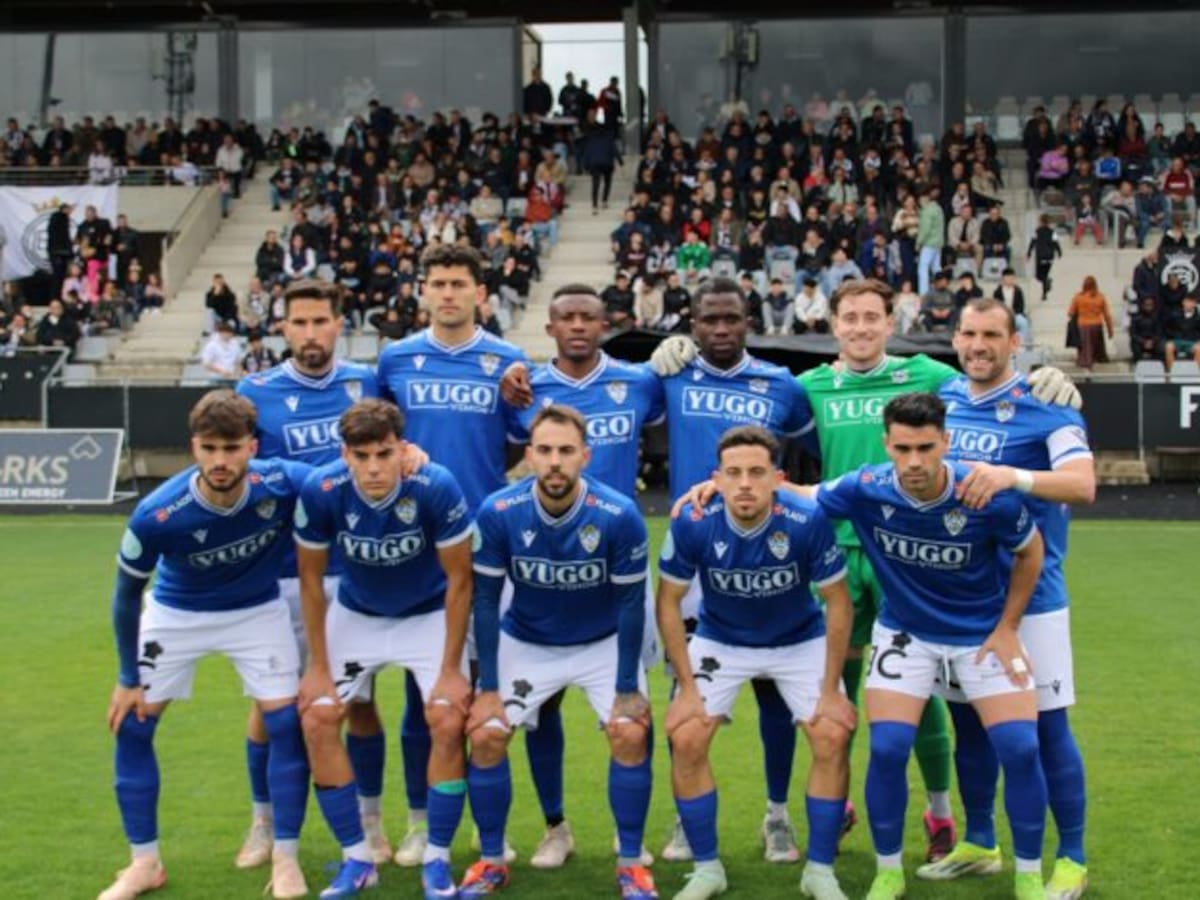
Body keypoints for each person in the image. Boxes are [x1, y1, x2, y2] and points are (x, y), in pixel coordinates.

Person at [811, 392, 1049, 900]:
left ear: (946, 441)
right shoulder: (866, 487)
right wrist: (718, 486)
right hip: (906, 635)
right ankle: (889, 871)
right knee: (890, 747)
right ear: (886, 444)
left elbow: (1030, 552)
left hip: (980, 636)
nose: (914, 461)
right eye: (902, 449)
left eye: (925, 447)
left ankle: (1030, 877)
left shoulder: (987, 495)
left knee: (1022, 750)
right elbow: (803, 495)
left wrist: (1008, 626)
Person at [99, 391, 313, 900]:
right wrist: (128, 677)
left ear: (252, 447)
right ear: (194, 447)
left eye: (232, 448)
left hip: (256, 611)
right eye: (209, 448)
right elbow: (126, 595)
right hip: (177, 615)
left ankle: (285, 857)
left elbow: (341, 477)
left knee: (285, 723)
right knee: (132, 725)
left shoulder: (281, 482)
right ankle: (143, 863)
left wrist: (411, 457)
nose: (221, 461)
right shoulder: (158, 513)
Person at [916, 298, 1095, 900]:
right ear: (956, 338)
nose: (978, 345)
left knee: (1046, 730)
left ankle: (1070, 857)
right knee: (968, 725)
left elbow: (1083, 483)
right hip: (962, 600)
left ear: (1014, 342)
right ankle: (980, 842)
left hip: (1033, 600)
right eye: (968, 333)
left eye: (991, 334)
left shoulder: (1048, 406)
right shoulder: (944, 399)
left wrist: (1011, 477)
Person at [648, 278, 818, 865]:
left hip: (769, 550)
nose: (720, 330)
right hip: (694, 553)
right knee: (685, 693)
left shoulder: (781, 385)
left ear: (748, 321)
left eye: (731, 320)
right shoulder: (670, 374)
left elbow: (806, 455)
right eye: (708, 320)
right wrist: (652, 358)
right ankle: (684, 816)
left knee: (775, 693)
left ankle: (777, 815)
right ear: (692, 323)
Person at [236, 280, 399, 872]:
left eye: (320, 322)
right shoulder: (255, 392)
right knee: (271, 704)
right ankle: (264, 822)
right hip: (281, 573)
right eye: (299, 323)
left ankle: (370, 819)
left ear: (339, 324)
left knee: (358, 702)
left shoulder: (366, 383)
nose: (310, 334)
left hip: (353, 571)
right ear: (283, 328)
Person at [463, 405, 656, 900]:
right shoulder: (499, 511)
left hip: (603, 639)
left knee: (630, 732)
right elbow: (484, 600)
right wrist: (485, 688)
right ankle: (491, 860)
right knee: (485, 735)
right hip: (528, 640)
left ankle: (631, 863)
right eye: (544, 450)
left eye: (565, 451)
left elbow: (632, 602)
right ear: (528, 456)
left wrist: (628, 688)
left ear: (585, 456)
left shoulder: (618, 514)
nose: (554, 461)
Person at [376, 246, 528, 864]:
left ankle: (492, 829)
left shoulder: (507, 360)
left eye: (459, 283)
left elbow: (530, 439)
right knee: (423, 695)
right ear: (422, 290)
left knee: (494, 692)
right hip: (415, 545)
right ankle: (419, 821)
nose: (447, 293)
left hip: (487, 545)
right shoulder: (395, 358)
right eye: (437, 282)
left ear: (479, 293)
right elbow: (373, 436)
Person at [658, 425, 855, 900]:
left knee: (831, 732)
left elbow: (838, 602)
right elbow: (668, 601)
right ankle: (707, 868)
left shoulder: (806, 520)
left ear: (777, 478)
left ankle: (820, 871)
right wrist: (686, 688)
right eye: (734, 473)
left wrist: (830, 690)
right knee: (685, 735)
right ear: (717, 479)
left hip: (797, 639)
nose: (745, 483)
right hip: (721, 639)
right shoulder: (693, 520)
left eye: (756, 473)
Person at [294, 399, 473, 899]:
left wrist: (453, 669)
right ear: (344, 454)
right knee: (318, 717)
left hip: (428, 613)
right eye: (362, 456)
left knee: (447, 717)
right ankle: (357, 858)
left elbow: (461, 581)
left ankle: (436, 859)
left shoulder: (435, 485)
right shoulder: (322, 489)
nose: (374, 468)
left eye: (384, 454)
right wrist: (318, 668)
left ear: (403, 449)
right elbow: (311, 581)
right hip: (357, 614)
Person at [581, 109, 623, 214]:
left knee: (595, 183)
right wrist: (620, 161)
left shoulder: (591, 138)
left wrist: (585, 165)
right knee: (607, 182)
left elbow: (587, 151)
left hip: (595, 162)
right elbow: (614, 149)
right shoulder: (608, 136)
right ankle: (604, 201)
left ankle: (595, 205)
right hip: (607, 162)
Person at [1066, 277, 1114, 370]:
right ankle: (1096, 359)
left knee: (1085, 347)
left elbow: (1070, 313)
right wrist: (1110, 330)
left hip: (1083, 325)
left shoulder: (1078, 297)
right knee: (1095, 346)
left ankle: (1086, 362)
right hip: (1097, 325)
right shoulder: (1100, 297)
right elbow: (1107, 315)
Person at [916, 189, 945, 296]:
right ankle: (941, 288)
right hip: (938, 243)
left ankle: (924, 293)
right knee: (936, 268)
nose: (919, 202)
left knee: (923, 268)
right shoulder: (938, 208)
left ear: (925, 199)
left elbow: (925, 229)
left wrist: (919, 242)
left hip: (928, 243)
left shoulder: (927, 210)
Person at [1027, 215, 1061, 301]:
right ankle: (1044, 294)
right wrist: (1059, 252)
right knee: (1045, 275)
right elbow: (1056, 243)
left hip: (1041, 255)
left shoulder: (1037, 231)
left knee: (1039, 276)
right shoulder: (1052, 232)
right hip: (1049, 256)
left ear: (1041, 222)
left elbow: (1032, 242)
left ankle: (1046, 287)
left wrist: (1029, 253)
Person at [1164, 293, 1200, 371]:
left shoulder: (1198, 317)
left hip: (1192, 342)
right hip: (1177, 340)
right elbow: (1167, 328)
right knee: (1168, 347)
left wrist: (1197, 339)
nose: (1189, 304)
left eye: (1191, 302)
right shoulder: (1174, 315)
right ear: (1183, 302)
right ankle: (1171, 373)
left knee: (1199, 348)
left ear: (1195, 304)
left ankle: (1195, 373)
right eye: (1187, 301)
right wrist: (1174, 336)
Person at [1129, 296, 1164, 363]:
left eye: (1151, 305)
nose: (1149, 307)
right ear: (1142, 305)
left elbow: (1159, 332)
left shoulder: (1156, 318)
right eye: (1147, 305)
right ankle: (1138, 365)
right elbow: (1133, 334)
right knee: (1135, 345)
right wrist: (1143, 341)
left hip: (1153, 341)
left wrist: (1152, 341)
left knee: (1161, 346)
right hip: (1140, 341)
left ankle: (1158, 366)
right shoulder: (1135, 318)